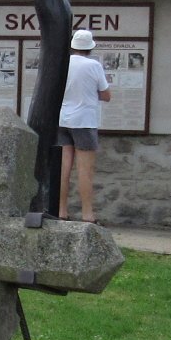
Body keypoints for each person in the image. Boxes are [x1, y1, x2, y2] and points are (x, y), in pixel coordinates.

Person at [58, 28, 111, 222]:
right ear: (89, 48)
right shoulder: (93, 66)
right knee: (85, 169)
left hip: (63, 119)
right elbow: (106, 95)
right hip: (84, 121)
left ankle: (61, 210)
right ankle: (87, 214)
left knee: (63, 168)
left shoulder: (63, 64)